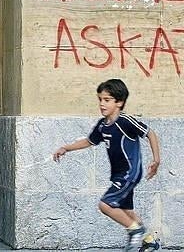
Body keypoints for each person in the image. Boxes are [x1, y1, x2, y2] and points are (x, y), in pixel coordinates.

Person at [52, 78, 160, 252]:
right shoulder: (103, 125)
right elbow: (89, 141)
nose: (102, 104)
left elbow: (150, 133)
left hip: (129, 173)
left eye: (107, 100)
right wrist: (66, 148)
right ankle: (149, 241)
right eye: (100, 100)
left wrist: (156, 160)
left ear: (119, 102)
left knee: (106, 204)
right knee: (127, 211)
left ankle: (135, 231)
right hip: (118, 174)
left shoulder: (125, 121)